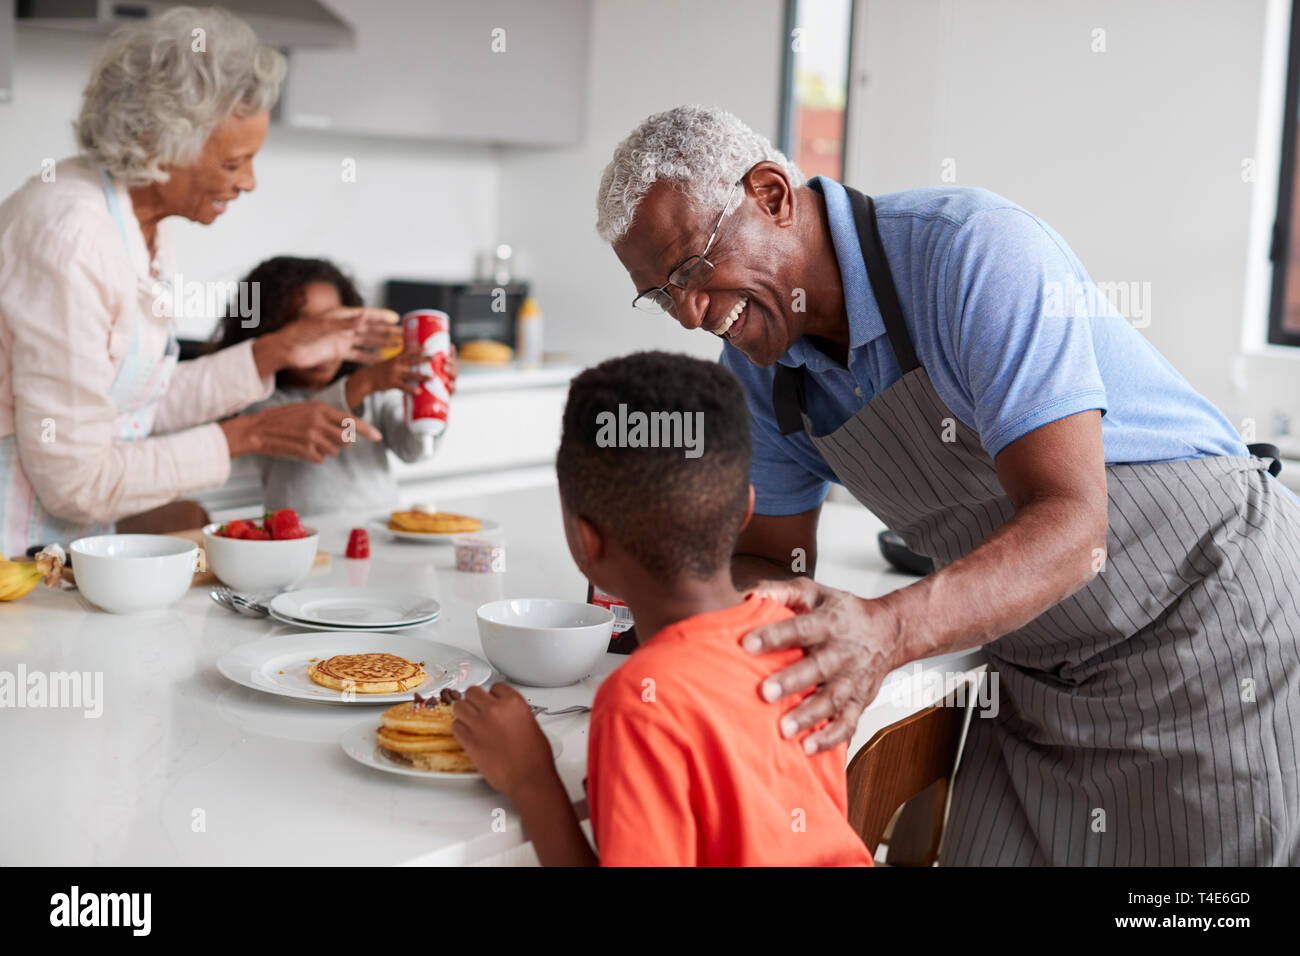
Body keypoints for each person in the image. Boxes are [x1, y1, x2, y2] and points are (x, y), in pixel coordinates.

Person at [594, 105, 1300, 866]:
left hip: (1205, 628)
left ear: (771, 194)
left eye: (693, 270)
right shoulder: (762, 374)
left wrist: (886, 630)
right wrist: (713, 602)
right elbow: (773, 561)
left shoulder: (968, 254)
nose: (692, 316)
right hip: (1034, 673)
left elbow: (1072, 527)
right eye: (663, 295)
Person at [451, 351, 875, 867]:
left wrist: (530, 778)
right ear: (744, 510)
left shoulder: (639, 704)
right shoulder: (804, 643)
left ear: (585, 542)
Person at [0, 7, 394, 557]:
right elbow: (75, 482)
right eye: (235, 163)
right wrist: (249, 435)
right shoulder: (71, 237)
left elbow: (139, 405)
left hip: (63, 554)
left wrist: (276, 351)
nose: (249, 182)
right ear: (159, 141)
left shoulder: (141, 225)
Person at [213, 257, 458, 514]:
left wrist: (431, 403)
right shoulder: (261, 401)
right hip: (301, 540)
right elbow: (310, 422)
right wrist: (365, 382)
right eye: (309, 328)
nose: (325, 342)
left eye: (336, 324)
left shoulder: (374, 392)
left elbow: (413, 451)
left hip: (378, 532)